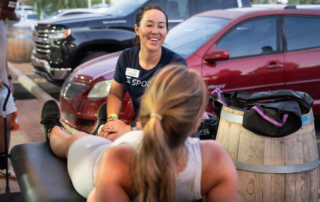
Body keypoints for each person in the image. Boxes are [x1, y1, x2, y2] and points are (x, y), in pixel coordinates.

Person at [40, 65, 238, 202]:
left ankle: (59, 130)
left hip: (108, 158)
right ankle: (58, 128)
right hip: (119, 152)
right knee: (83, 140)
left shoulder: (116, 160)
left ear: (144, 115)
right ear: (197, 123)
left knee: (74, 139)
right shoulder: (216, 158)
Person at [91, 3, 187, 137]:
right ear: (137, 29)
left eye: (161, 26)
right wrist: (112, 120)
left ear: (166, 31)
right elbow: (115, 94)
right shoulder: (127, 58)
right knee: (104, 135)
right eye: (149, 25)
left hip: (167, 132)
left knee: (109, 139)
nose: (155, 31)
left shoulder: (175, 65)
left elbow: (173, 114)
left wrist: (130, 128)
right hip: (139, 127)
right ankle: (54, 129)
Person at [0, 0, 18, 179]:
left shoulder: (1, 23)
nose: (5, 17)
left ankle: (3, 165)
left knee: (7, 124)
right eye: (3, 12)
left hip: (3, 84)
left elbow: (2, 52)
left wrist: (9, 77)